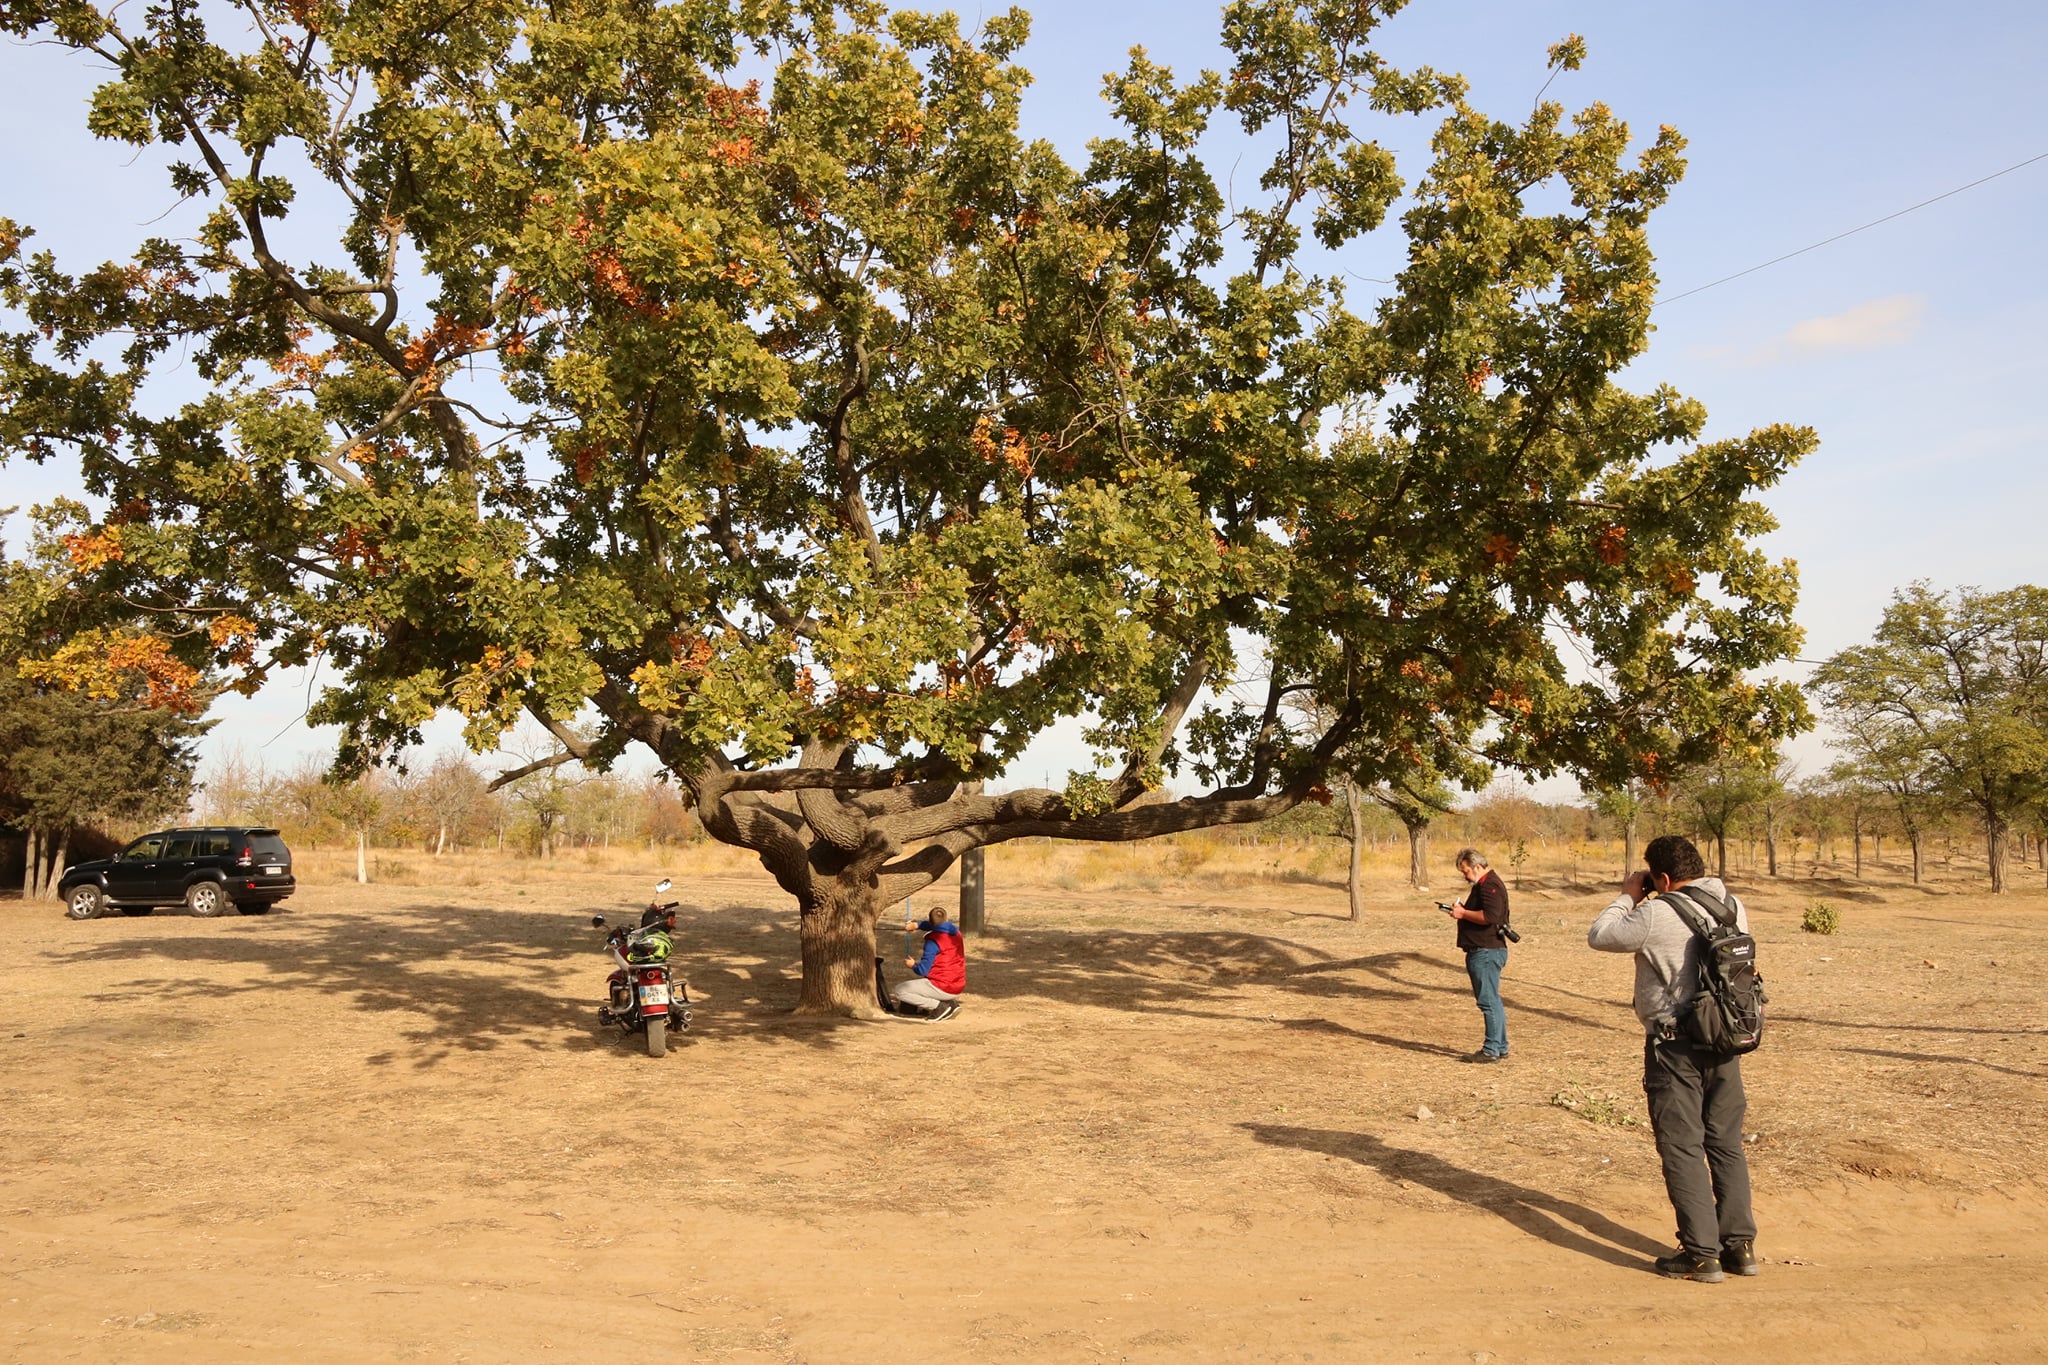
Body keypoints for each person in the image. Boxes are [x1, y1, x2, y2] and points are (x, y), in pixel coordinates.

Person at [1588, 834, 1758, 1284]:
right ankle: (1739, 1247)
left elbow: (1600, 936)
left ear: (1661, 877)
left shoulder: (1655, 912)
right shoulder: (1732, 905)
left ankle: (1701, 1255)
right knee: (1725, 1142)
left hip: (1674, 1045)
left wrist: (1629, 895)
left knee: (1682, 1146)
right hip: (1726, 1037)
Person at [1443, 848, 1511, 1062]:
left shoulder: (1489, 885)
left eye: (1466, 871)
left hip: (1485, 951)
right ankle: (1500, 1046)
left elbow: (1490, 916)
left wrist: (1463, 913)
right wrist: (1464, 911)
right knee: (1492, 1000)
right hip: (1487, 949)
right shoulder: (1485, 884)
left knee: (1487, 1001)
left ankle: (1491, 1049)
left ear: (1477, 867)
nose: (1465, 876)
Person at [893, 905, 965, 1020]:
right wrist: (916, 925)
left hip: (942, 986)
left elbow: (923, 970)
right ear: (946, 918)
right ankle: (949, 1003)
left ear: (930, 921)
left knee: (900, 991)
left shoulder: (933, 942)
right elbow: (937, 925)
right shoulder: (956, 932)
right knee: (917, 986)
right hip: (958, 985)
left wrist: (913, 965)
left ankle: (939, 1007)